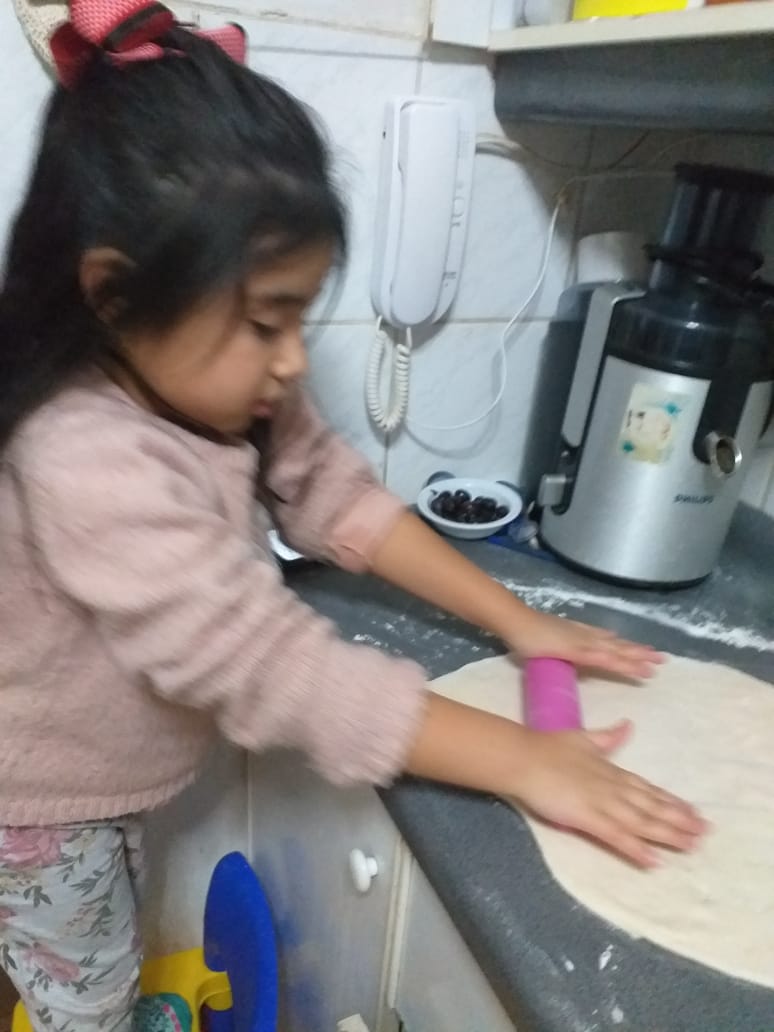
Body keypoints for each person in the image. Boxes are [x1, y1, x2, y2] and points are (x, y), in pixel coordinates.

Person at [0, 2, 706, 1029]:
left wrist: (519, 621)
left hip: (108, 771)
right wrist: (523, 760)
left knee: (95, 944)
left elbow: (336, 496)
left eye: (301, 314)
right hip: (35, 799)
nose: (293, 359)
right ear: (113, 295)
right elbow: (271, 666)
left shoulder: (219, 385)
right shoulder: (80, 452)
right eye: (264, 321)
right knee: (86, 992)